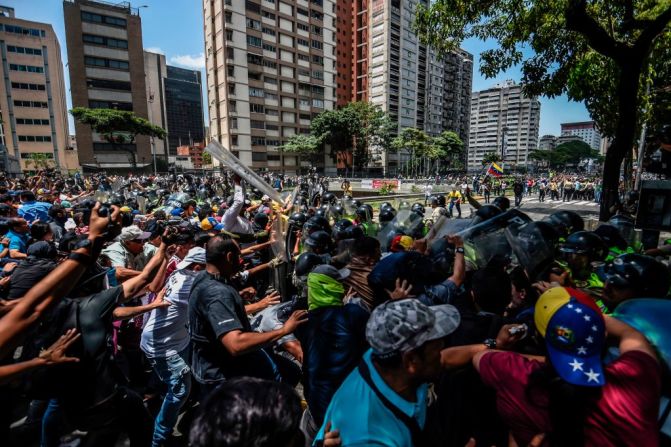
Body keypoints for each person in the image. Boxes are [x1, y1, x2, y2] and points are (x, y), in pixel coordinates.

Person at [443, 286, 661, 446]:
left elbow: (478, 357)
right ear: (601, 336)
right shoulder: (635, 380)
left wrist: (501, 346)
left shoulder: (512, 371)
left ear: (538, 339)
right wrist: (584, 315)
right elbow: (630, 333)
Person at [313, 298, 461, 446]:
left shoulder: (382, 356)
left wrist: (482, 349)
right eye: (437, 346)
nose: (442, 348)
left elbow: (443, 360)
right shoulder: (369, 436)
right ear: (411, 361)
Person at [188, 235, 307, 396]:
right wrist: (283, 331)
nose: (242, 260)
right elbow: (235, 344)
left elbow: (213, 313)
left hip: (219, 366)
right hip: (222, 376)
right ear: (229, 257)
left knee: (289, 371)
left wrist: (238, 298)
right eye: (239, 256)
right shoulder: (217, 293)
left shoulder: (204, 277)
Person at [141, 246, 206, 447]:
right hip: (163, 345)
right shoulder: (187, 285)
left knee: (181, 380)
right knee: (179, 391)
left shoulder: (180, 272)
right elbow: (211, 309)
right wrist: (257, 305)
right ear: (197, 267)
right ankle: (158, 438)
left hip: (176, 339)